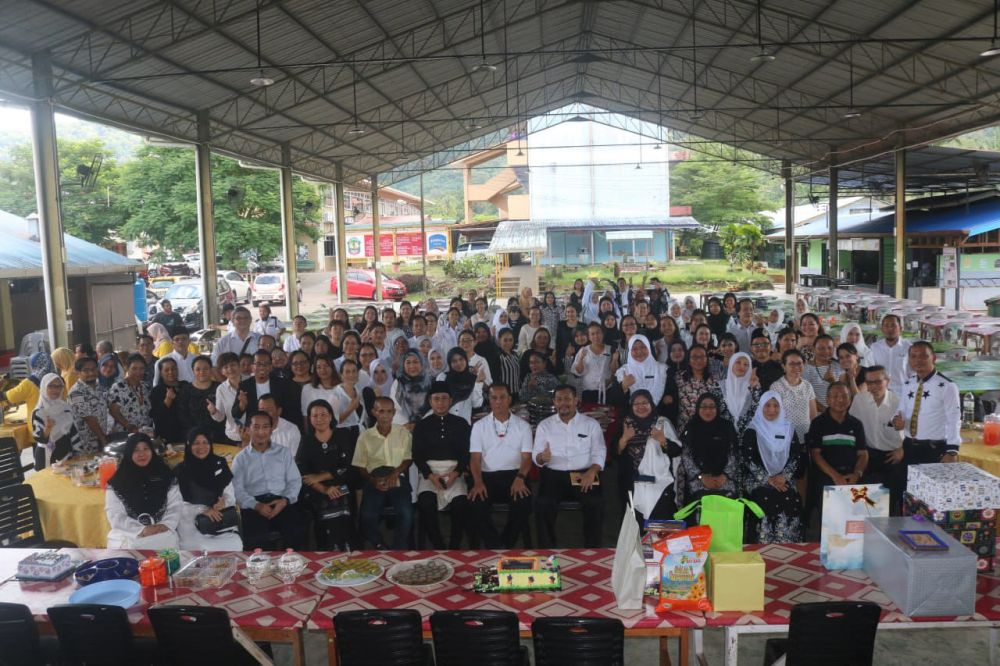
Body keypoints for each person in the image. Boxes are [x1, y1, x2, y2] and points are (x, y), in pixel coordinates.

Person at [533, 384, 606, 548]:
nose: (563, 403)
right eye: (559, 399)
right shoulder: (545, 425)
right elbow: (536, 456)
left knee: (595, 503)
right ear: (554, 402)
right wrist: (541, 458)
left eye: (567, 398)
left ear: (576, 401)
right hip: (554, 474)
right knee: (543, 504)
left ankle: (592, 550)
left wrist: (592, 471)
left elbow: (600, 451)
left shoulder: (591, 424)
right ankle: (547, 550)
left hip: (584, 473)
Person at [892, 341, 961, 510]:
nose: (918, 360)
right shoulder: (908, 383)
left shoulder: (947, 386)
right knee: (906, 494)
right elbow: (901, 410)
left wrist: (952, 451)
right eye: (913, 356)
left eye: (924, 355)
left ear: (934, 358)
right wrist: (897, 421)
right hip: (909, 447)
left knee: (930, 500)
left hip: (934, 450)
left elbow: (954, 418)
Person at [468, 383, 533, 548]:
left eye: (502, 397)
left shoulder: (523, 426)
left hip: (515, 475)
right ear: (489, 400)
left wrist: (520, 478)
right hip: (486, 475)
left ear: (510, 399)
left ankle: (506, 542)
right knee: (475, 503)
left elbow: (526, 458)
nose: (498, 402)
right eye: (494, 398)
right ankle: (495, 545)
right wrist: (478, 481)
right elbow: (475, 459)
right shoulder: (479, 426)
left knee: (523, 502)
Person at [231, 411, 307, 550]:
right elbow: (237, 490)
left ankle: (293, 568)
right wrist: (257, 505)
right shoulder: (240, 458)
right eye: (256, 427)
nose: (261, 432)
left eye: (265, 427)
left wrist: (285, 500)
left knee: (297, 533)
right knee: (256, 542)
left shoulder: (283, 452)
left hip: (282, 501)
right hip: (254, 505)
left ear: (271, 430)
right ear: (248, 429)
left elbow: (295, 481)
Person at [412, 382, 472, 549]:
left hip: (454, 472)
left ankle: (454, 546)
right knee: (425, 503)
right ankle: (438, 545)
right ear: (430, 401)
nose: (440, 402)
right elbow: (417, 454)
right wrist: (430, 475)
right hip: (430, 473)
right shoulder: (422, 425)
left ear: (450, 400)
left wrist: (456, 472)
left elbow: (466, 452)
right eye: (436, 399)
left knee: (460, 504)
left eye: (444, 398)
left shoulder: (461, 424)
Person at [741, 391, 804, 543]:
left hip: (784, 478)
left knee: (790, 497)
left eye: (776, 406)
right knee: (764, 496)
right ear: (761, 406)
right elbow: (748, 460)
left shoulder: (788, 429)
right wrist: (767, 479)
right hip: (757, 479)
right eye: (768, 405)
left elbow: (796, 456)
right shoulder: (752, 430)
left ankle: (789, 543)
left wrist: (784, 477)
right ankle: (761, 543)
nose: (772, 410)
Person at [353, 397, 414, 549]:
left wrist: (396, 472)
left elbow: (408, 459)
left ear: (394, 413)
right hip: (375, 477)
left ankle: (398, 549)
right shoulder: (365, 436)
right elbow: (360, 466)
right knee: (367, 515)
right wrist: (372, 480)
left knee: (406, 513)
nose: (385, 415)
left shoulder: (402, 433)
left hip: (397, 475)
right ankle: (379, 544)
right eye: (381, 411)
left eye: (389, 412)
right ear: (374, 412)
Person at [298, 400, 358, 550]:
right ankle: (328, 548)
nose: (319, 419)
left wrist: (320, 476)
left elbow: (347, 467)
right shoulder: (306, 441)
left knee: (343, 500)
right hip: (316, 489)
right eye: (315, 415)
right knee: (324, 506)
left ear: (331, 416)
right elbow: (303, 474)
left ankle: (347, 546)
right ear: (310, 419)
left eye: (324, 414)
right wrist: (324, 488)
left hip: (343, 485)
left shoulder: (343, 435)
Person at [105, 433, 183, 549]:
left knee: (167, 559)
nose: (142, 454)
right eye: (136, 450)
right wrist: (142, 530)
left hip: (162, 531)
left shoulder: (165, 475)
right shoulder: (118, 481)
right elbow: (115, 514)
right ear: (129, 453)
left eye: (146, 449)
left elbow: (175, 505)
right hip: (129, 535)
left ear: (152, 450)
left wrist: (165, 524)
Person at [806, 382, 869, 521]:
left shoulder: (856, 424)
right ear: (827, 400)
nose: (840, 400)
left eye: (844, 396)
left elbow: (863, 454)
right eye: (835, 396)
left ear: (850, 399)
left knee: (859, 515)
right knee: (832, 520)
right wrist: (835, 477)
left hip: (852, 474)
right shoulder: (818, 423)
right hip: (827, 475)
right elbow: (816, 454)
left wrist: (857, 474)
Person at [617, 389, 682, 521]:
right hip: (633, 483)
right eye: (636, 403)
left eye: (645, 402)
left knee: (661, 525)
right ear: (631, 406)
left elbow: (677, 451)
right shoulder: (625, 423)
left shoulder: (662, 423)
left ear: (652, 404)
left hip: (660, 482)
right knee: (636, 526)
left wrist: (662, 440)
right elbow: (616, 454)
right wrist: (624, 439)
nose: (641, 406)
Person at [174, 427, 243, 551]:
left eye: (205, 442)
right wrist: (203, 510)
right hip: (191, 521)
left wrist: (223, 502)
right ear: (189, 445)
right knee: (200, 548)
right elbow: (177, 504)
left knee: (235, 544)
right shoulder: (181, 471)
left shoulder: (219, 463)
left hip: (219, 519)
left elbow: (230, 494)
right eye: (196, 443)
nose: (202, 447)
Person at [850, 365, 903, 503]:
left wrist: (903, 450)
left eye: (878, 382)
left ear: (887, 381)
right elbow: (852, 428)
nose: (873, 386)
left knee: (892, 498)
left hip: (893, 455)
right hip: (869, 454)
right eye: (869, 383)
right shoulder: (859, 400)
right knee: (869, 499)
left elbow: (914, 432)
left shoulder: (900, 403)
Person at [677, 393, 738, 506]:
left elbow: (734, 454)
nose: (708, 411)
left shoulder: (726, 427)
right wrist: (701, 477)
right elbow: (686, 457)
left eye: (712, 407)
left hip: (725, 480)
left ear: (717, 408)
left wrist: (725, 475)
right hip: (698, 480)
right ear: (698, 408)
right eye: (704, 406)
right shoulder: (691, 427)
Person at [231, 349, 300, 430]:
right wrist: (242, 405)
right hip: (255, 430)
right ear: (253, 367)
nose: (262, 367)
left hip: (278, 429)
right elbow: (235, 414)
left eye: (266, 364)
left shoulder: (283, 384)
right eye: (258, 364)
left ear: (271, 367)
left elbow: (290, 410)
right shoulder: (245, 385)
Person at [671, 344, 728, 433]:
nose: (698, 360)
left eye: (702, 356)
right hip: (685, 429)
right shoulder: (678, 378)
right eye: (694, 357)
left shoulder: (716, 380)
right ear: (688, 360)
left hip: (710, 428)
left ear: (707, 359)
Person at [31, 373, 82, 467]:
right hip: (46, 456)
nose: (55, 390)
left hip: (66, 454)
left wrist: (79, 452)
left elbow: (73, 432)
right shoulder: (39, 412)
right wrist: (48, 428)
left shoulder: (66, 408)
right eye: (50, 386)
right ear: (43, 387)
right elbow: (38, 438)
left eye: (58, 386)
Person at [770, 349, 818, 443]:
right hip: (785, 438)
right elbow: (773, 416)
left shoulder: (808, 386)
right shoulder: (776, 387)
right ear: (784, 366)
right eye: (792, 364)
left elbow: (813, 415)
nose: (796, 367)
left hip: (806, 436)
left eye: (799, 363)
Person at [608, 334, 667, 408]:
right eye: (634, 349)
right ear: (629, 351)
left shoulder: (662, 370)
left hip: (658, 416)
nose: (639, 351)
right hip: (630, 417)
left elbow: (669, 398)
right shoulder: (622, 372)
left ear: (649, 348)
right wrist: (623, 386)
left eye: (643, 347)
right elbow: (613, 402)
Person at [68, 356, 110, 454]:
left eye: (93, 369)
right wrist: (103, 439)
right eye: (86, 370)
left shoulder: (100, 388)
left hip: (100, 439)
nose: (91, 373)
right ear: (78, 373)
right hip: (84, 444)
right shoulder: (76, 393)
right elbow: (89, 419)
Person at [107, 354, 153, 435]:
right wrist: (129, 426)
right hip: (124, 434)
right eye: (134, 368)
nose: (138, 372)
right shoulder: (118, 387)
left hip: (144, 433)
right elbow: (113, 411)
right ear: (126, 368)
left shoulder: (145, 387)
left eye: (141, 368)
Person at [437, 348, 485, 423]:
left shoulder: (471, 379)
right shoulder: (443, 377)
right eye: (454, 361)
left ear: (466, 360)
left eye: (461, 359)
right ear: (449, 363)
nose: (458, 363)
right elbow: (439, 402)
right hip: (445, 423)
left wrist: (476, 382)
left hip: (464, 426)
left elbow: (477, 404)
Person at [149, 357, 190, 443]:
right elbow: (157, 417)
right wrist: (168, 400)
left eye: (173, 369)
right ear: (161, 373)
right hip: (167, 436)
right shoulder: (157, 390)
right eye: (166, 370)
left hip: (188, 433)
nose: (171, 372)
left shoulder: (186, 386)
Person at [721, 352, 762, 436]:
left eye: (746, 364)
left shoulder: (754, 387)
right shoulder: (719, 386)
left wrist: (755, 388)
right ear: (731, 363)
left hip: (748, 436)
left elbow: (758, 411)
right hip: (724, 435)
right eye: (738, 362)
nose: (742, 366)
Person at [208, 352, 245, 444]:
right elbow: (220, 418)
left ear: (239, 365)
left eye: (233, 365)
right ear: (222, 372)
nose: (230, 369)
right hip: (232, 436)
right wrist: (213, 411)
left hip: (254, 434)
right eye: (225, 367)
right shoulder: (221, 389)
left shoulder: (250, 382)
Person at [390, 350, 432, 428]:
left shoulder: (430, 383)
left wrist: (422, 424)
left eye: (416, 362)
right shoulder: (398, 383)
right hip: (405, 427)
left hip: (428, 426)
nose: (412, 366)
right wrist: (407, 424)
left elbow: (435, 406)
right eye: (408, 362)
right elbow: (395, 406)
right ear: (403, 365)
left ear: (422, 364)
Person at [870, 314, 911, 393]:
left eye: (893, 326)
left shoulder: (908, 348)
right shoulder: (874, 348)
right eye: (886, 326)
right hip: (880, 392)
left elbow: (913, 373)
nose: (890, 329)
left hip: (902, 392)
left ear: (900, 328)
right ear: (882, 329)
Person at [803, 334, 841, 411]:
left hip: (838, 411)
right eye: (821, 348)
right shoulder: (806, 369)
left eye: (829, 348)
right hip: (816, 414)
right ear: (813, 349)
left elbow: (843, 392)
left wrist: (832, 381)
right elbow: (805, 396)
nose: (826, 351)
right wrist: (826, 412)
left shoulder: (838, 366)